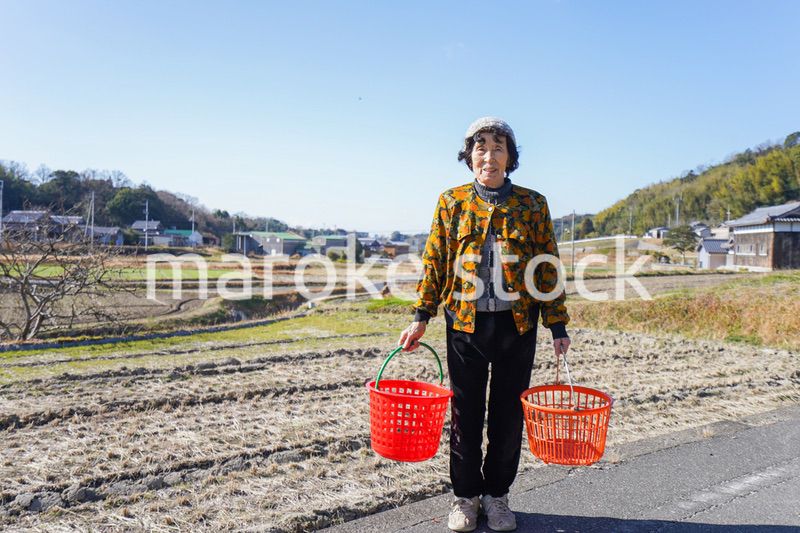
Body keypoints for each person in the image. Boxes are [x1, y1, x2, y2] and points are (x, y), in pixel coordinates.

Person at [398, 117, 571, 532]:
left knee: (508, 416)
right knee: (466, 415)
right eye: (480, 148)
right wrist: (421, 316)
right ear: (469, 156)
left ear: (510, 157)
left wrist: (557, 325)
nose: (488, 156)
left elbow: (547, 265)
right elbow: (435, 261)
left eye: (497, 148)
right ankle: (465, 498)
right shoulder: (451, 201)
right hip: (465, 326)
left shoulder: (532, 203)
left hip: (517, 325)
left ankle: (497, 498)